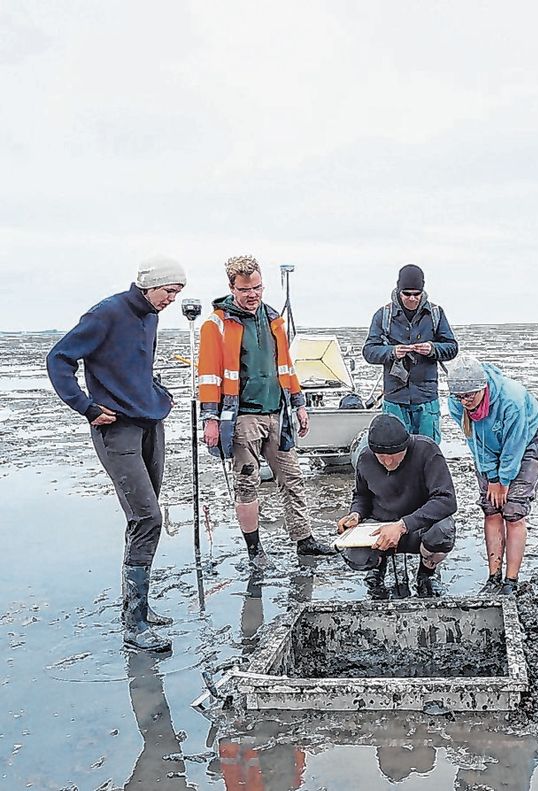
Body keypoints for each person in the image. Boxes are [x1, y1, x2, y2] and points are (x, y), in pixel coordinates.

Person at [46, 257, 187, 653]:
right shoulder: (105, 314)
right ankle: (134, 625)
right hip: (115, 427)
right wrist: (86, 406)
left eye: (178, 293)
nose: (172, 300)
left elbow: (137, 364)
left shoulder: (151, 317)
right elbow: (59, 359)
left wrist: (157, 393)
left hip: (149, 422)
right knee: (148, 517)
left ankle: (137, 605)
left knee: (143, 515)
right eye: (168, 292)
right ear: (148, 284)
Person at [198, 254, 333, 568]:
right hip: (242, 415)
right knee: (247, 482)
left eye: (257, 287)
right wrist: (210, 420)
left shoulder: (274, 320)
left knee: (292, 478)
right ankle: (255, 551)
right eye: (245, 289)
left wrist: (299, 405)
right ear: (232, 288)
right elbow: (208, 376)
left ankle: (304, 540)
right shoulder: (216, 325)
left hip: (278, 414)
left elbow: (286, 367)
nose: (252, 294)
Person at [446, 355, 538, 596]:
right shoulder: (456, 403)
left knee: (513, 512)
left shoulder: (512, 400)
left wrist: (504, 480)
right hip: (486, 447)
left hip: (525, 442)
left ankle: (511, 581)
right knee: (491, 509)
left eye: (470, 395)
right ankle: (493, 576)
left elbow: (515, 445)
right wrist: (491, 477)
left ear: (482, 387)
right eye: (460, 396)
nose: (465, 401)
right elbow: (474, 441)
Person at [337, 414, 457, 599]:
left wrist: (403, 525)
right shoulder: (366, 458)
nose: (388, 462)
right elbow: (361, 495)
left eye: (393, 456)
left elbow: (446, 500)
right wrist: (356, 514)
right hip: (380, 526)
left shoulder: (427, 451)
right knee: (354, 555)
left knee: (443, 532)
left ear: (406, 447)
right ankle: (378, 565)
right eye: (381, 457)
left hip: (419, 526)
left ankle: (427, 572)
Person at [362, 264, 458, 443]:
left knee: (428, 449)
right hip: (395, 398)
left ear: (423, 291)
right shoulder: (383, 315)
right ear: (398, 290)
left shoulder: (436, 314)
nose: (412, 298)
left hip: (426, 398)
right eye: (407, 294)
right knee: (394, 448)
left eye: (417, 294)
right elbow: (368, 351)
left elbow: (452, 347)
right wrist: (391, 352)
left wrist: (433, 349)